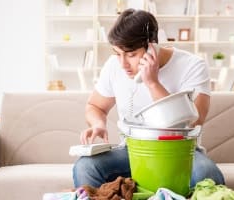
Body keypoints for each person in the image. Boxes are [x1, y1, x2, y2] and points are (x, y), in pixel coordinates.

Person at [73, 8, 224, 189]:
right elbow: (95, 106)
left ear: (152, 47)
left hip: (180, 152)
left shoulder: (193, 66)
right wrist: (98, 124)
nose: (123, 64)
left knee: (207, 174)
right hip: (133, 150)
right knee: (85, 167)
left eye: (131, 54)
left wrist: (153, 83)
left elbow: (195, 121)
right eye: (117, 53)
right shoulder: (114, 66)